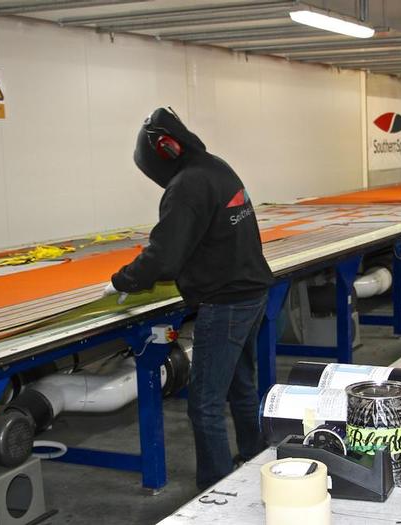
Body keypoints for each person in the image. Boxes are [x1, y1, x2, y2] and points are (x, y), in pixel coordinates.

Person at [103, 107, 274, 490]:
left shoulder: (187, 185)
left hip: (227, 301)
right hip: (252, 292)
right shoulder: (215, 168)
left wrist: (122, 281)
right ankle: (253, 455)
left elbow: (164, 255)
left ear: (162, 154)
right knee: (241, 386)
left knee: (204, 403)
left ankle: (218, 488)